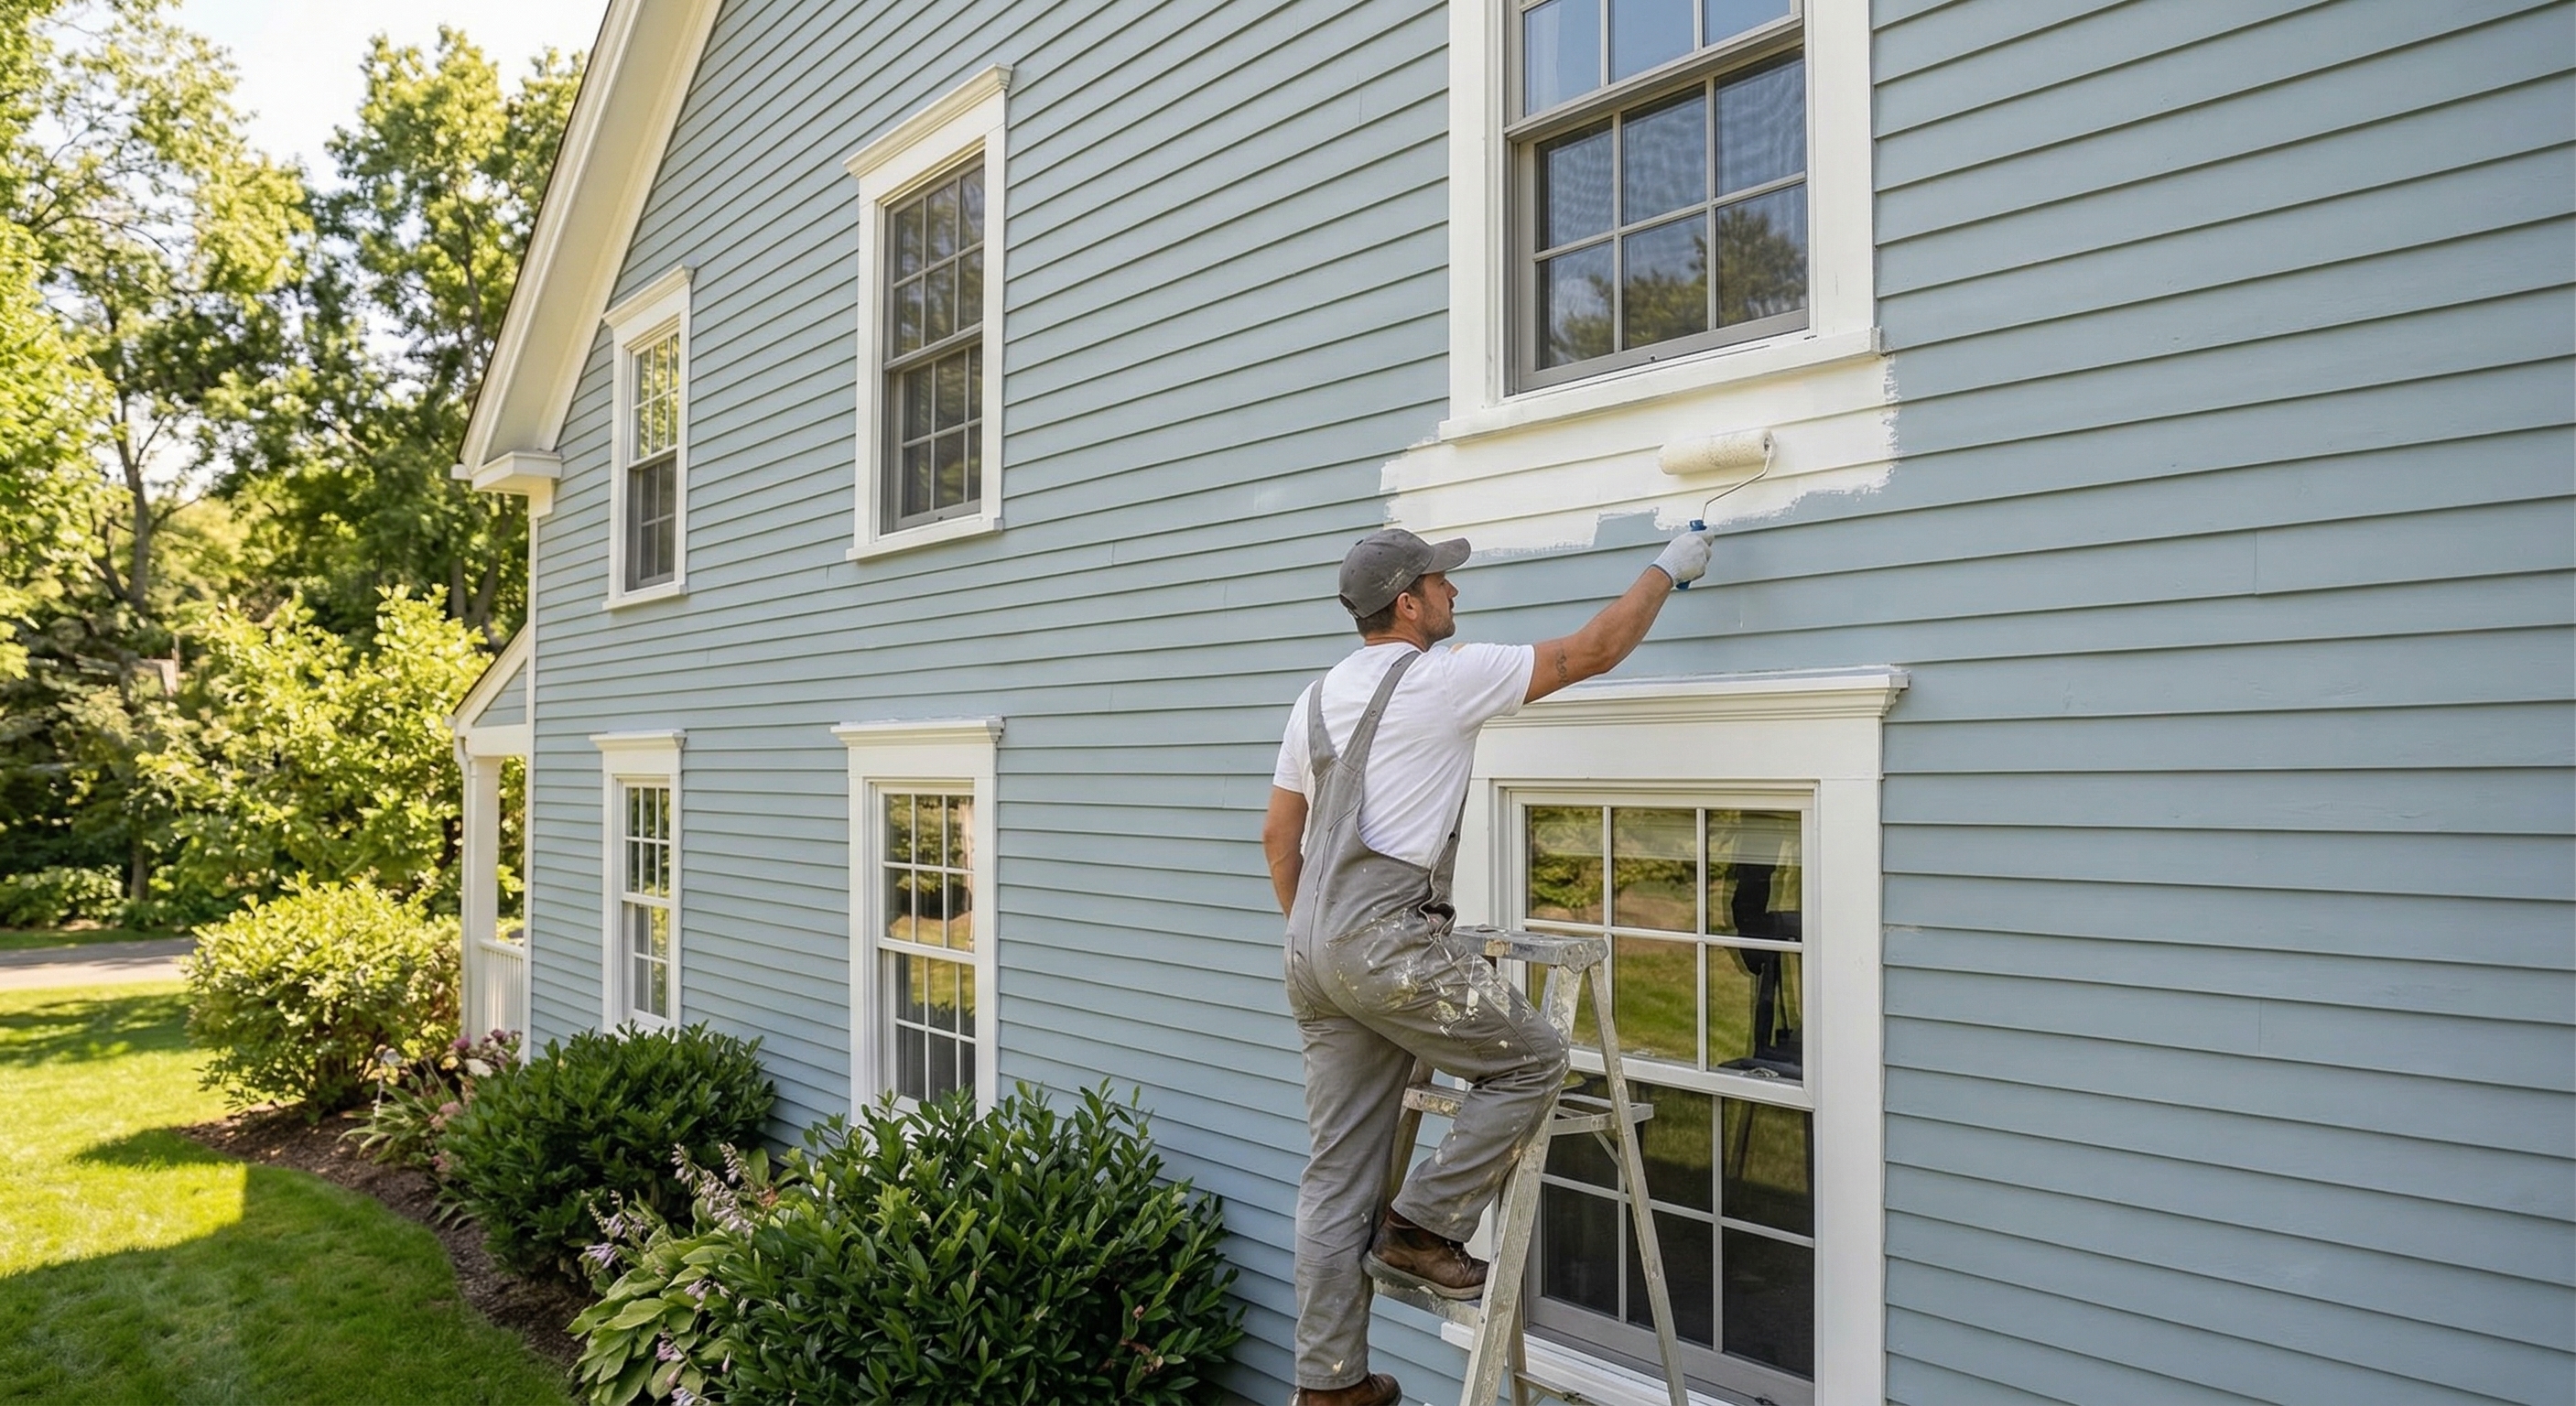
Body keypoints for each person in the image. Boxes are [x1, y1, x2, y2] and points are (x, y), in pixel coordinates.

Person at [1261, 524, 1716, 1406]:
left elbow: (1281, 837)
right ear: (1407, 603)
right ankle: (1422, 1226)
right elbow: (1592, 651)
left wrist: (1326, 943)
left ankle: (1330, 1386)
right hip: (1382, 944)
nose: (1454, 592)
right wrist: (1668, 568)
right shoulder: (1443, 677)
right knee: (1535, 1058)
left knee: (1336, 1174)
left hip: (1312, 949)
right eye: (1441, 581)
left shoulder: (1315, 698)